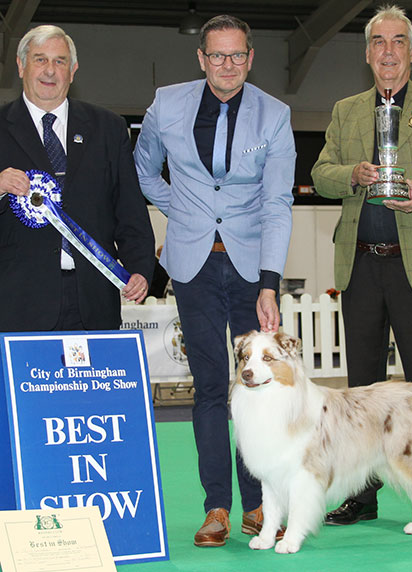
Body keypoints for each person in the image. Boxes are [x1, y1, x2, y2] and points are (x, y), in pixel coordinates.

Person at [311, 5, 412, 526]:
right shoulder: (345, 110)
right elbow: (320, 173)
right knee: (361, 392)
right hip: (359, 268)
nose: (388, 51)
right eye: (378, 42)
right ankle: (363, 496)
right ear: (367, 54)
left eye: (398, 41)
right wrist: (353, 175)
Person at [134, 15, 295, 547]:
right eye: (217, 56)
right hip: (193, 266)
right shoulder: (166, 104)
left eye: (237, 56)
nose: (227, 66)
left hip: (251, 269)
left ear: (250, 58)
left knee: (257, 391)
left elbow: (277, 202)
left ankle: (257, 504)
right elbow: (143, 169)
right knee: (207, 387)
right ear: (201, 58)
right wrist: (178, 211)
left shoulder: (275, 115)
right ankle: (217, 508)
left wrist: (270, 282)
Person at [0, 25, 155, 332]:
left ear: (73, 71)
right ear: (21, 66)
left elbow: (128, 207)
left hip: (94, 298)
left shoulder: (108, 128)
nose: (50, 70)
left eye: (59, 61)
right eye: (40, 60)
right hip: (18, 301)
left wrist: (139, 268)